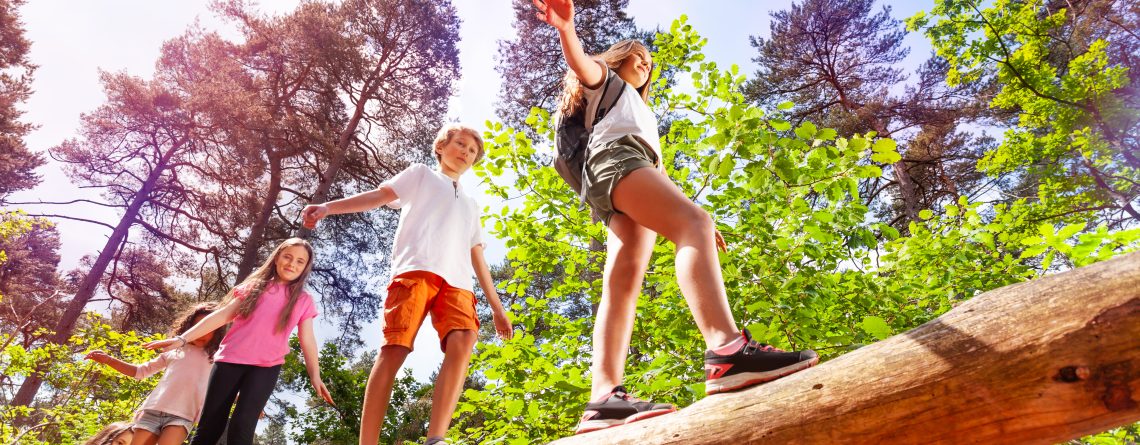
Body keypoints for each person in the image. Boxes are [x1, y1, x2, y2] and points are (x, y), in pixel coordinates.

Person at [533, 0, 819, 434]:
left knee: (623, 281)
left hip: (619, 174)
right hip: (617, 162)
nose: (645, 65)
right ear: (616, 61)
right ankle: (726, 351)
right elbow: (580, 64)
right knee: (691, 228)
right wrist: (566, 29)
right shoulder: (606, 83)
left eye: (650, 63)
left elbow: (660, 177)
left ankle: (603, 399)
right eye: (637, 58)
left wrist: (700, 220)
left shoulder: (639, 112)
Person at [301, 124, 513, 445]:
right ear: (442, 146)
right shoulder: (421, 175)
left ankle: (435, 438)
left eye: (472, 151)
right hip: (416, 271)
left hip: (457, 283)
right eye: (460, 144)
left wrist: (497, 309)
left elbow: (478, 259)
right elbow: (379, 196)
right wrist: (329, 208)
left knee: (465, 338)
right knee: (395, 349)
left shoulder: (472, 206)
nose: (466, 152)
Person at [145, 238, 334, 445]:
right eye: (287, 257)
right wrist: (182, 339)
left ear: (305, 267)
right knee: (209, 427)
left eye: (300, 261)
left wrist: (315, 375)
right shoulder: (254, 287)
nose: (292, 264)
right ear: (277, 257)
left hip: (266, 368)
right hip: (229, 362)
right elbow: (222, 315)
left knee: (242, 427)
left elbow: (307, 339)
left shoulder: (303, 300)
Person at [87, 303, 224, 445]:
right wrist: (109, 360)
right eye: (197, 326)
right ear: (190, 328)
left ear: (217, 330)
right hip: (152, 411)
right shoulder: (174, 350)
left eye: (208, 328)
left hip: (183, 416)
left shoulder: (217, 357)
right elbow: (140, 372)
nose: (202, 332)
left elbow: (222, 386)